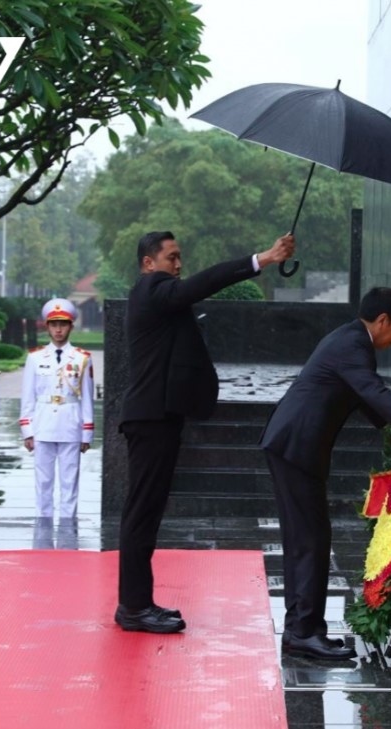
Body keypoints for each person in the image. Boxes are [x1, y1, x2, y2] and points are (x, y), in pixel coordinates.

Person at [115, 229, 296, 634]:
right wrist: (262, 258)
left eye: (180, 258)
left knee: (146, 512)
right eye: (171, 258)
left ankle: (138, 603)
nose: (179, 266)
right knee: (141, 513)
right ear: (148, 264)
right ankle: (133, 606)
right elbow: (204, 283)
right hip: (150, 417)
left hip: (159, 416)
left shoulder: (160, 298)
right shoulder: (151, 290)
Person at [260, 287, 391, 660]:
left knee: (305, 539)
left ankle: (302, 629)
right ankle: (304, 632)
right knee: (311, 540)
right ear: (381, 321)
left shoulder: (350, 340)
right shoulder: (353, 346)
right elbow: (372, 391)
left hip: (292, 446)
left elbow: (366, 398)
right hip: (296, 447)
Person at [19, 298, 94, 520]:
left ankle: (68, 524)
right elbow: (28, 396)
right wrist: (27, 429)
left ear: (71, 326)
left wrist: (86, 431)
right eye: (54, 324)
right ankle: (43, 523)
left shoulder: (82, 358)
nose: (58, 329)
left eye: (63, 324)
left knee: (70, 480)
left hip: (71, 423)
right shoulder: (35, 358)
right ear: (47, 326)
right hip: (43, 424)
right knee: (43, 481)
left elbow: (87, 397)